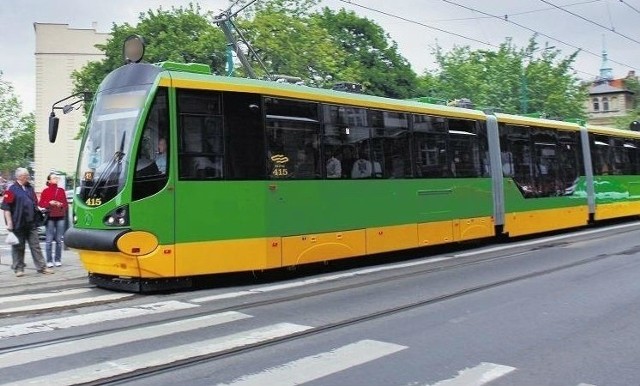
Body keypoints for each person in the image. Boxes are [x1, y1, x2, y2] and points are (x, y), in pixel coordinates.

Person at [1, 167, 53, 277]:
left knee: (36, 246)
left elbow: (34, 203)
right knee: (18, 247)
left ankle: (42, 267)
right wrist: (9, 223)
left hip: (31, 223)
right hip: (18, 223)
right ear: (20, 177)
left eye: (28, 175)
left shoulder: (29, 188)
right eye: (26, 175)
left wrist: (39, 210)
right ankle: (18, 268)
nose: (28, 177)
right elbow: (6, 208)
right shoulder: (11, 189)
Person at [38, 173, 69, 267]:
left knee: (59, 240)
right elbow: (41, 204)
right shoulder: (45, 191)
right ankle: (49, 261)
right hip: (50, 217)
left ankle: (58, 259)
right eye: (54, 178)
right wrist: (49, 202)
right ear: (49, 181)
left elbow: (66, 204)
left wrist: (61, 204)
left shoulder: (61, 190)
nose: (56, 179)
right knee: (49, 240)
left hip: (60, 216)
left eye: (57, 178)